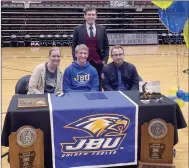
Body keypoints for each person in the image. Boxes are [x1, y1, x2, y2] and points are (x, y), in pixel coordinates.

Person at [72, 7, 109, 90]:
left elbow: (106, 46)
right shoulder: (77, 29)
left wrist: (105, 60)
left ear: (96, 16)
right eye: (89, 14)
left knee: (98, 86)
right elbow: (74, 47)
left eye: (93, 14)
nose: (91, 17)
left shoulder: (102, 29)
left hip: (98, 63)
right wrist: (75, 60)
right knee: (83, 85)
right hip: (83, 62)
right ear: (84, 16)